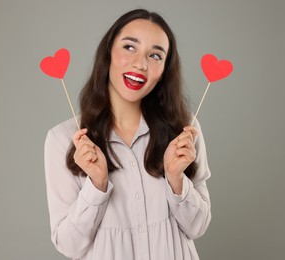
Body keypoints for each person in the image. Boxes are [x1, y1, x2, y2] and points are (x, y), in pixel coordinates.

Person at [44, 8, 211, 260]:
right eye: (130, 47)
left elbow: (197, 227)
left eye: (155, 55)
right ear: (108, 52)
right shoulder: (62, 139)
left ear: (164, 70)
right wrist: (97, 186)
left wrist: (176, 180)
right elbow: (69, 246)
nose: (141, 64)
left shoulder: (184, 130)